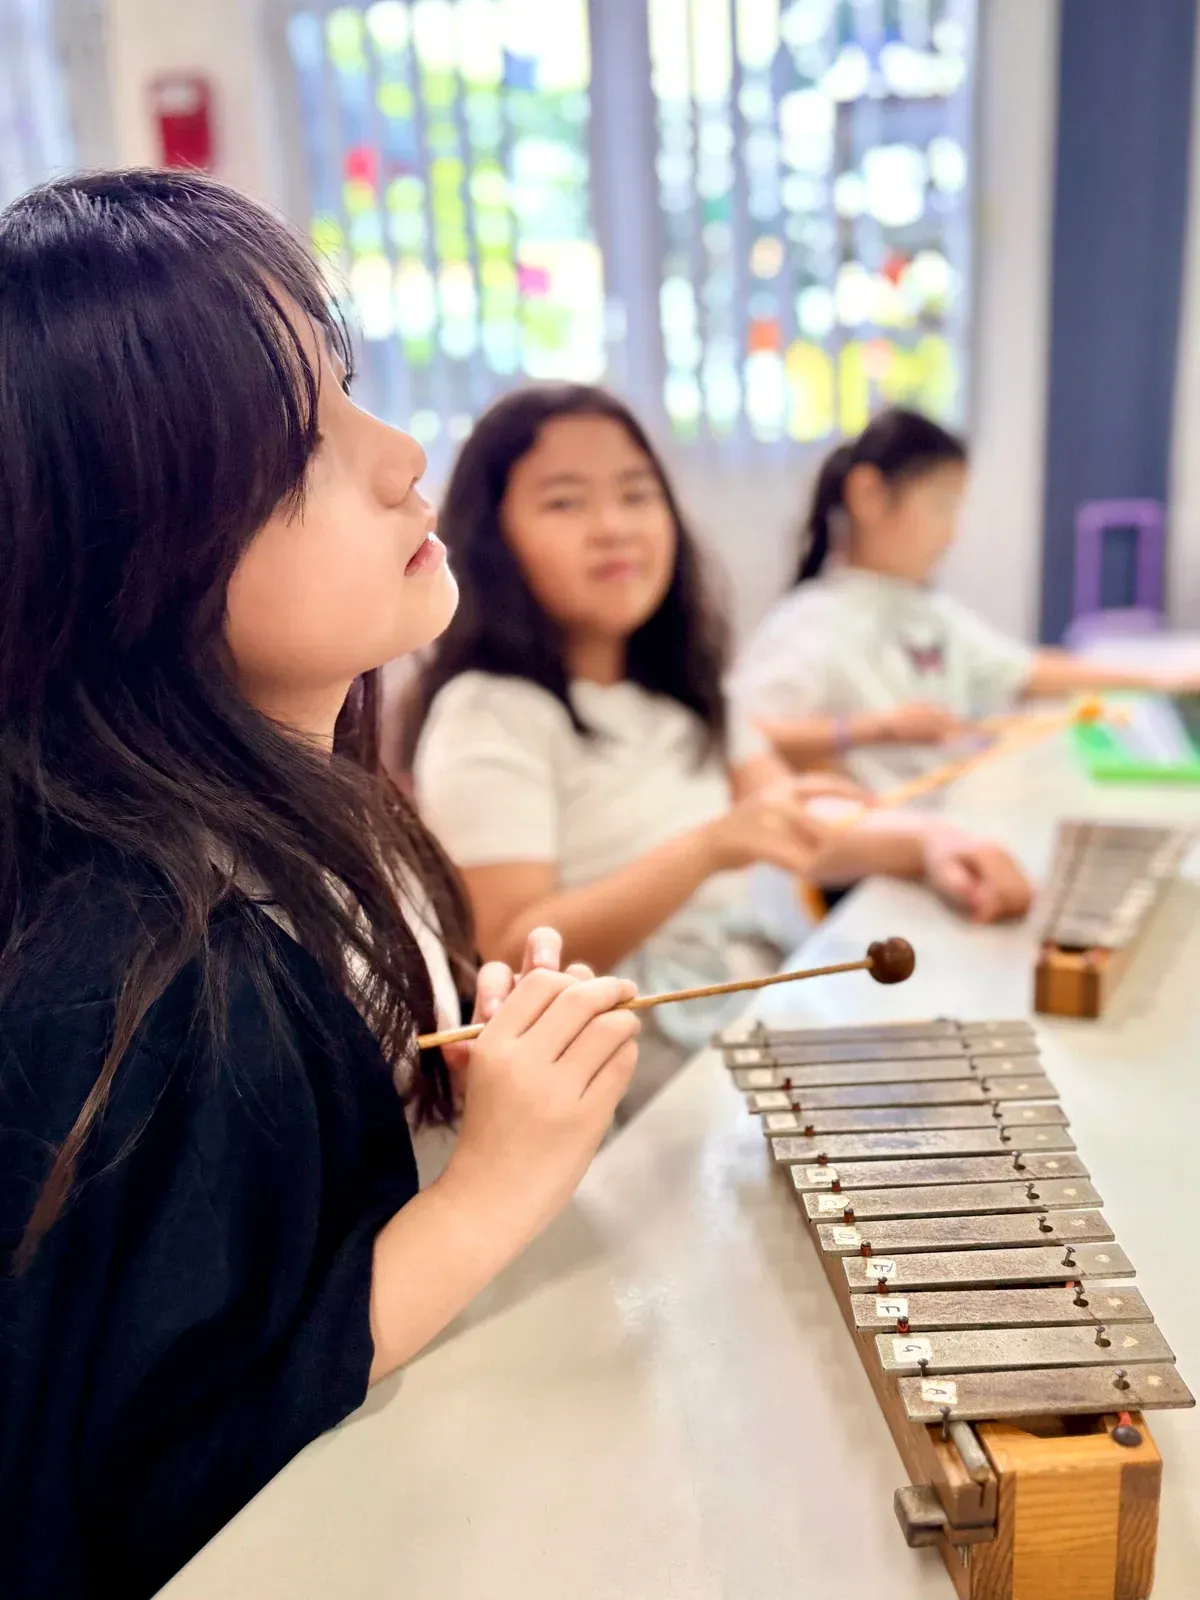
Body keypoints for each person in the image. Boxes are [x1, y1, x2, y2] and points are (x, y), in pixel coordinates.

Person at [0, 170, 647, 1600]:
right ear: (124, 557)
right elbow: (165, 1477)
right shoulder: (145, 971)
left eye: (345, 389)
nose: (403, 454)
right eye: (296, 446)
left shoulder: (324, 824)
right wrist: (492, 1189)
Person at [407, 386, 1032, 1118]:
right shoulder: (489, 712)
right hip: (619, 1079)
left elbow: (784, 825)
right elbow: (511, 952)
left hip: (739, 1018)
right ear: (493, 536)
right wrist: (708, 849)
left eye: (636, 494)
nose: (614, 527)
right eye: (565, 502)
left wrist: (932, 843)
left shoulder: (689, 690)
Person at [729, 407, 1199, 785]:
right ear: (868, 495)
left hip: (938, 830)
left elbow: (1027, 671)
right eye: (940, 506)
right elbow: (742, 734)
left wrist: (1164, 678)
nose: (951, 533)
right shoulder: (809, 623)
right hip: (868, 850)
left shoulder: (932, 614)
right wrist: (873, 729)